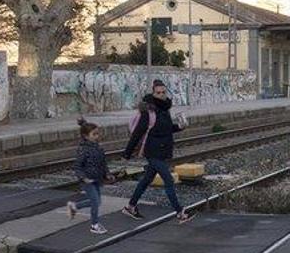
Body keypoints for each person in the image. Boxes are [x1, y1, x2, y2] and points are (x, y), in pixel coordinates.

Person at [122, 80, 195, 224]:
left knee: (146, 180)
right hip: (153, 151)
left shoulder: (165, 108)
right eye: (158, 93)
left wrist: (180, 127)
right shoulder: (148, 112)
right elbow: (137, 133)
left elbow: (167, 128)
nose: (161, 95)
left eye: (163, 92)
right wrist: (127, 153)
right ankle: (180, 213)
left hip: (163, 150)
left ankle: (130, 206)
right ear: (153, 93)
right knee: (168, 180)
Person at [67, 118, 114, 234]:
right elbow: (77, 166)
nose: (97, 136)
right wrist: (83, 178)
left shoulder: (98, 147)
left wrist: (107, 174)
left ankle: (74, 206)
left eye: (98, 133)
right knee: (95, 202)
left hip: (96, 179)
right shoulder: (83, 150)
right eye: (94, 134)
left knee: (97, 202)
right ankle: (94, 225)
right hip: (87, 180)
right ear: (86, 136)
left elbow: (103, 163)